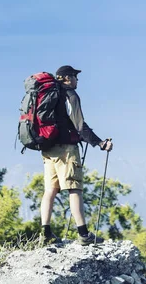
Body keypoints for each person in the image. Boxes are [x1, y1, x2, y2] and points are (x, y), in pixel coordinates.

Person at [40, 65, 113, 245]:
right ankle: (83, 234)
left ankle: (46, 233)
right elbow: (79, 124)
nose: (77, 80)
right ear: (66, 78)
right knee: (75, 188)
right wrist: (100, 143)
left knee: (50, 190)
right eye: (74, 76)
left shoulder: (48, 93)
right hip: (66, 149)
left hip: (48, 147)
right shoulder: (69, 94)